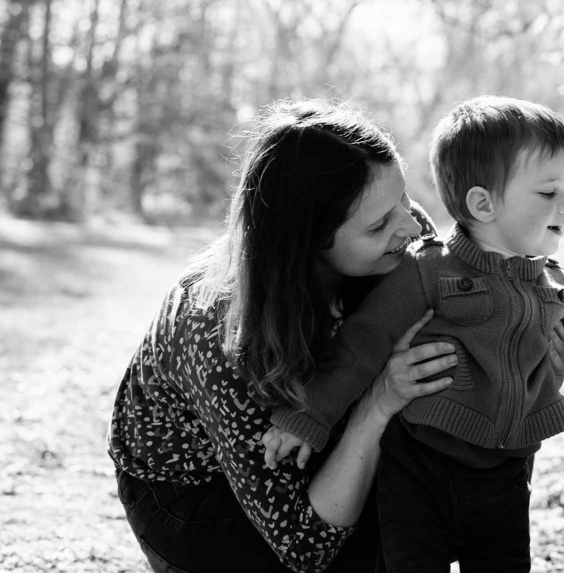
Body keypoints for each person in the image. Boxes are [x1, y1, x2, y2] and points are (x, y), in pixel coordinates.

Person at [265, 95, 564, 572]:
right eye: (549, 193)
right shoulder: (428, 272)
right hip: (420, 467)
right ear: (483, 203)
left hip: (506, 471)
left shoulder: (549, 279)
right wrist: (309, 416)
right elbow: (362, 344)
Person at [108, 99, 475, 573]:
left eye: (404, 198)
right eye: (380, 224)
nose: (410, 225)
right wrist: (379, 401)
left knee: (421, 516)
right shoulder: (222, 334)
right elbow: (305, 546)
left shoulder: (399, 231)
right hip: (195, 492)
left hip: (321, 433)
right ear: (308, 241)